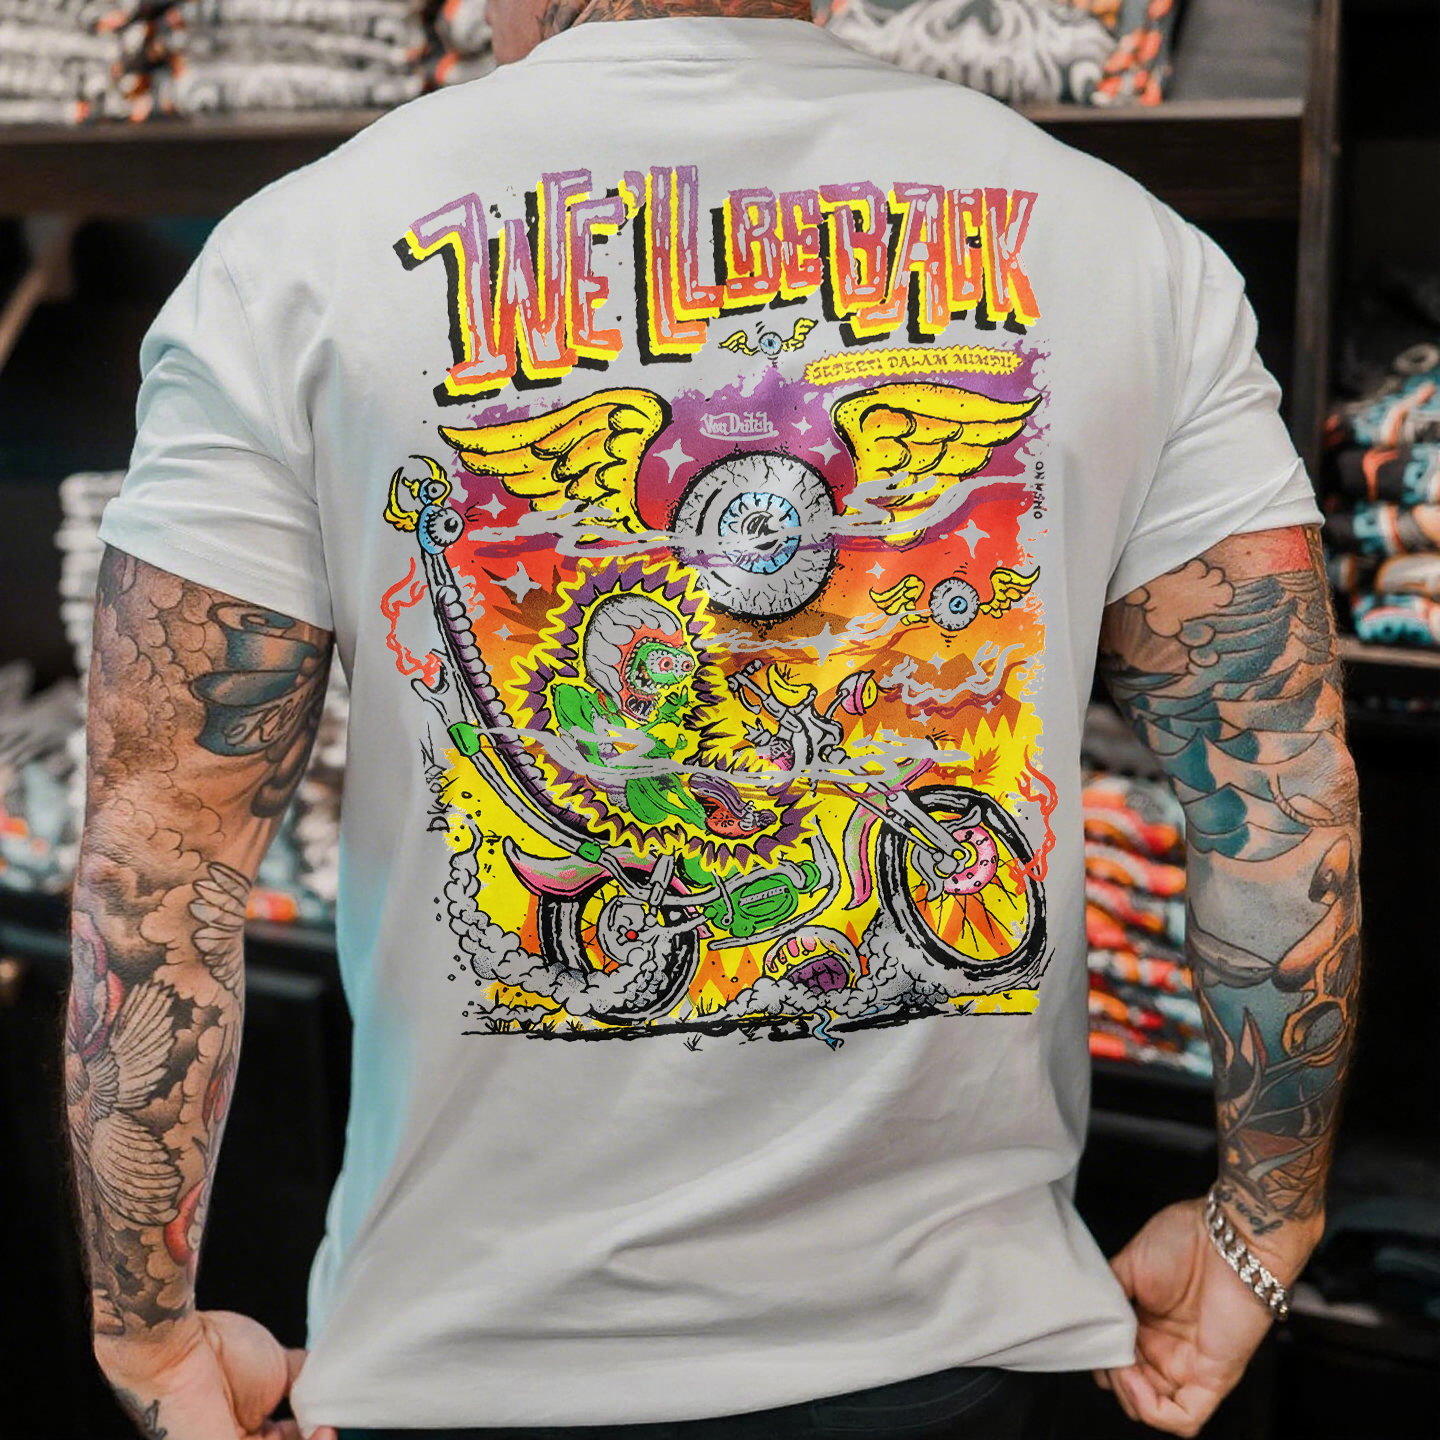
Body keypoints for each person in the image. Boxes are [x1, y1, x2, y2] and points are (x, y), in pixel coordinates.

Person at [66, 3, 1360, 1438]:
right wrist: (1263, 1225)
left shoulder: (294, 258)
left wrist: (149, 1336)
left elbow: (160, 858)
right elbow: (1278, 787)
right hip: (965, 1358)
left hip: (462, 1366)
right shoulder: (1131, 253)